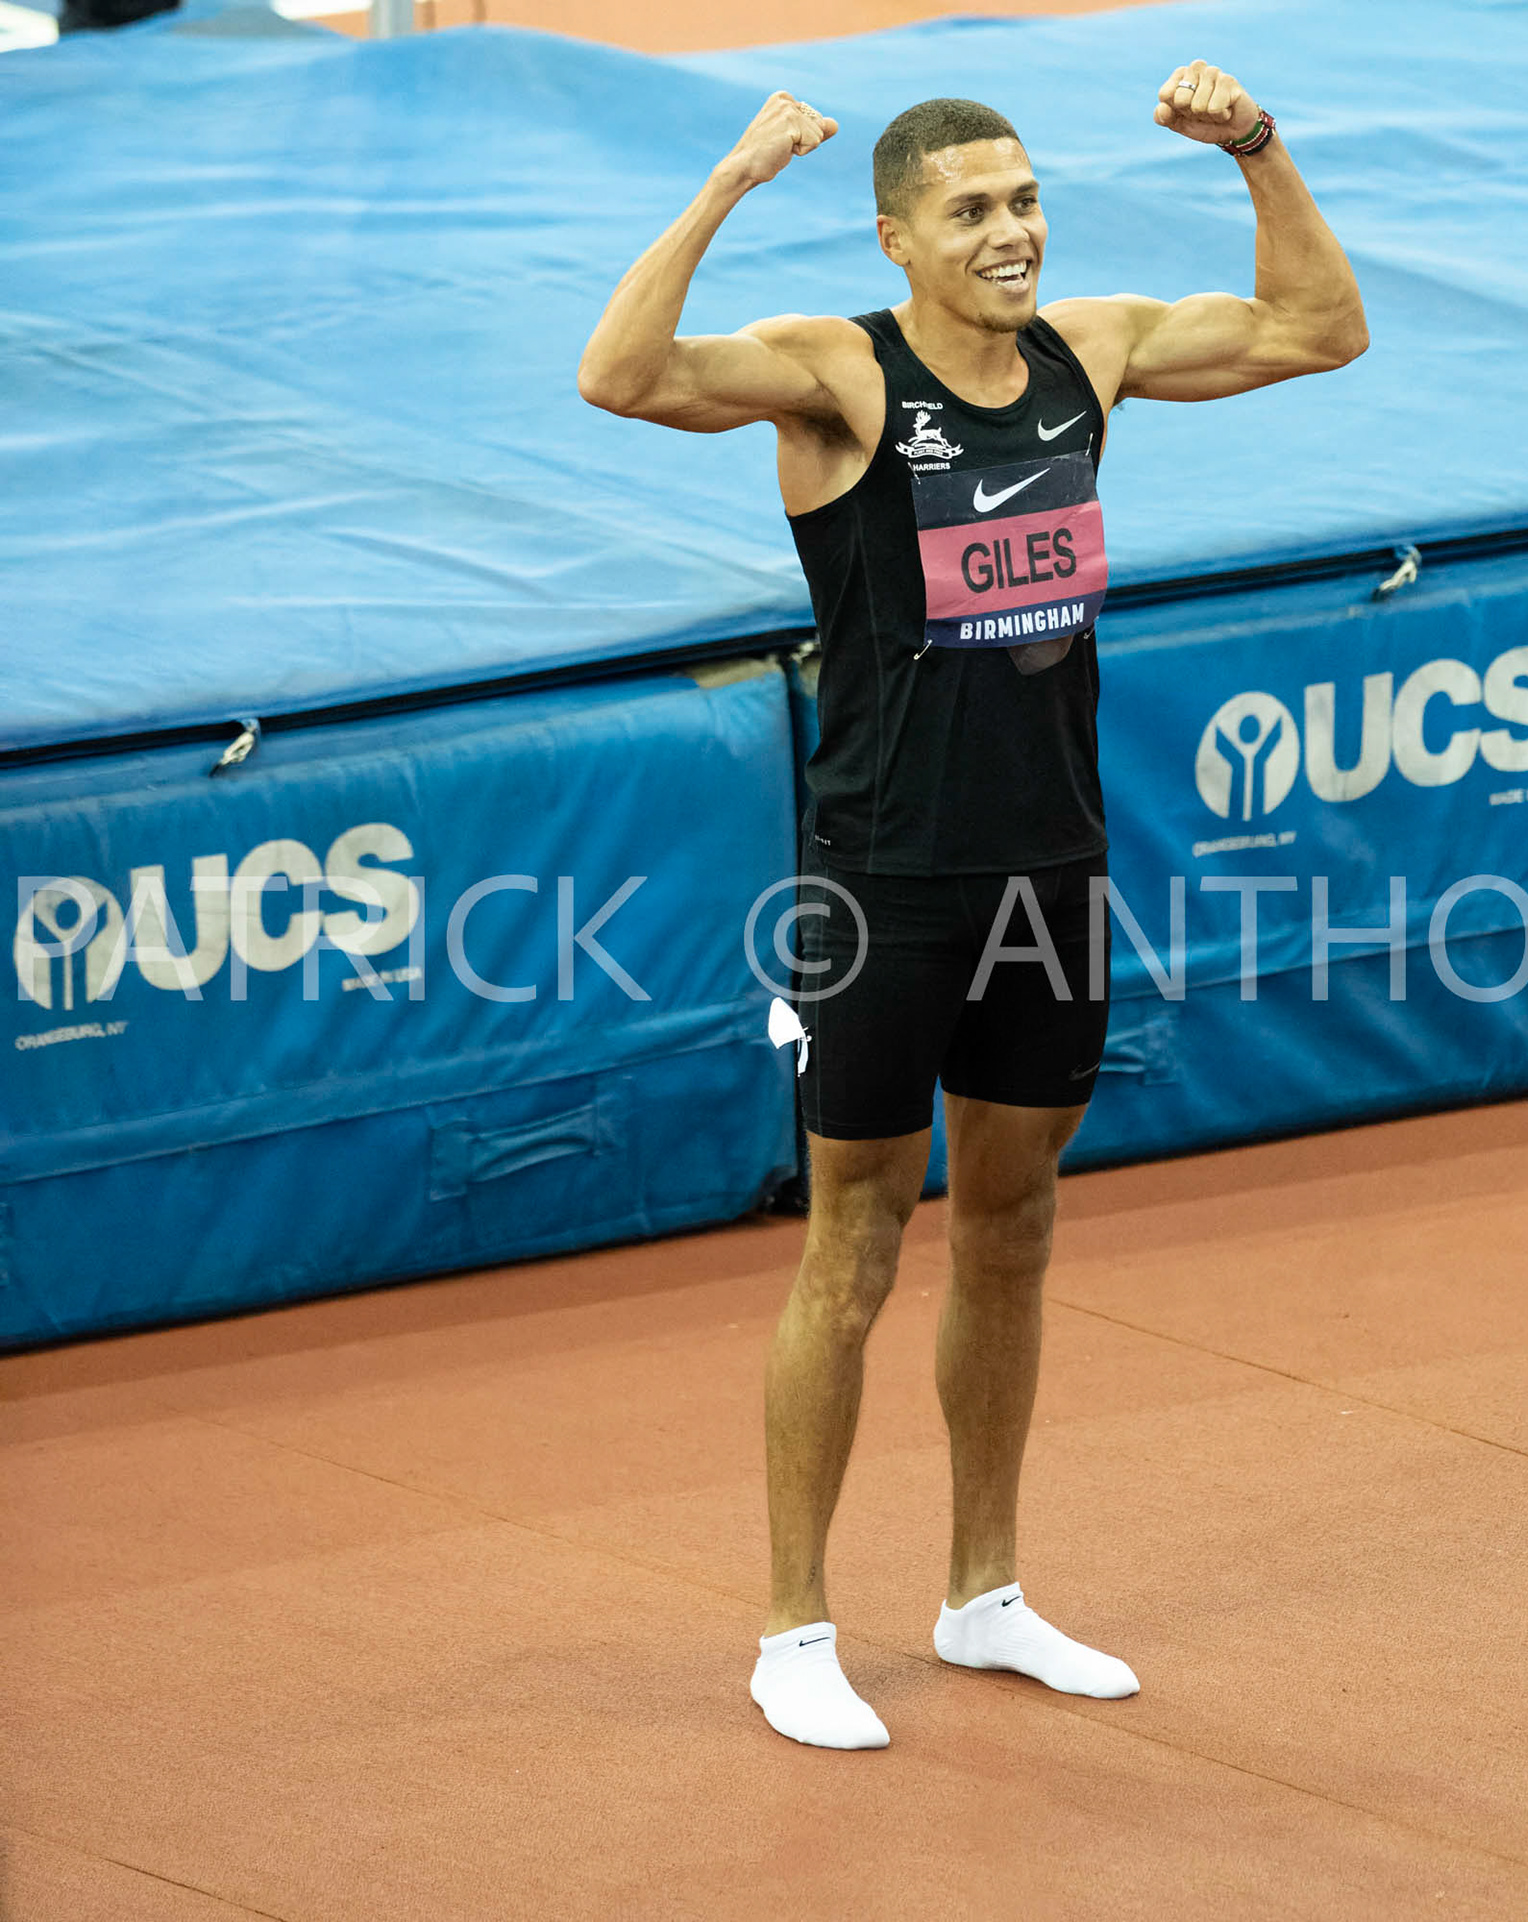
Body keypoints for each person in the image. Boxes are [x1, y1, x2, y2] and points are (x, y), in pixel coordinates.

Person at [580, 59, 1367, 1750]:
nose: (1011, 235)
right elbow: (620, 372)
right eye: (973, 212)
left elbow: (1319, 330)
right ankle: (795, 1627)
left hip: (1052, 871)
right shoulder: (836, 381)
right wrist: (727, 182)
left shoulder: (1089, 353)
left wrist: (1258, 149)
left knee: (1012, 1228)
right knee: (852, 1243)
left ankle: (985, 1594)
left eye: (1023, 202)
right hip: (883, 889)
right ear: (897, 238)